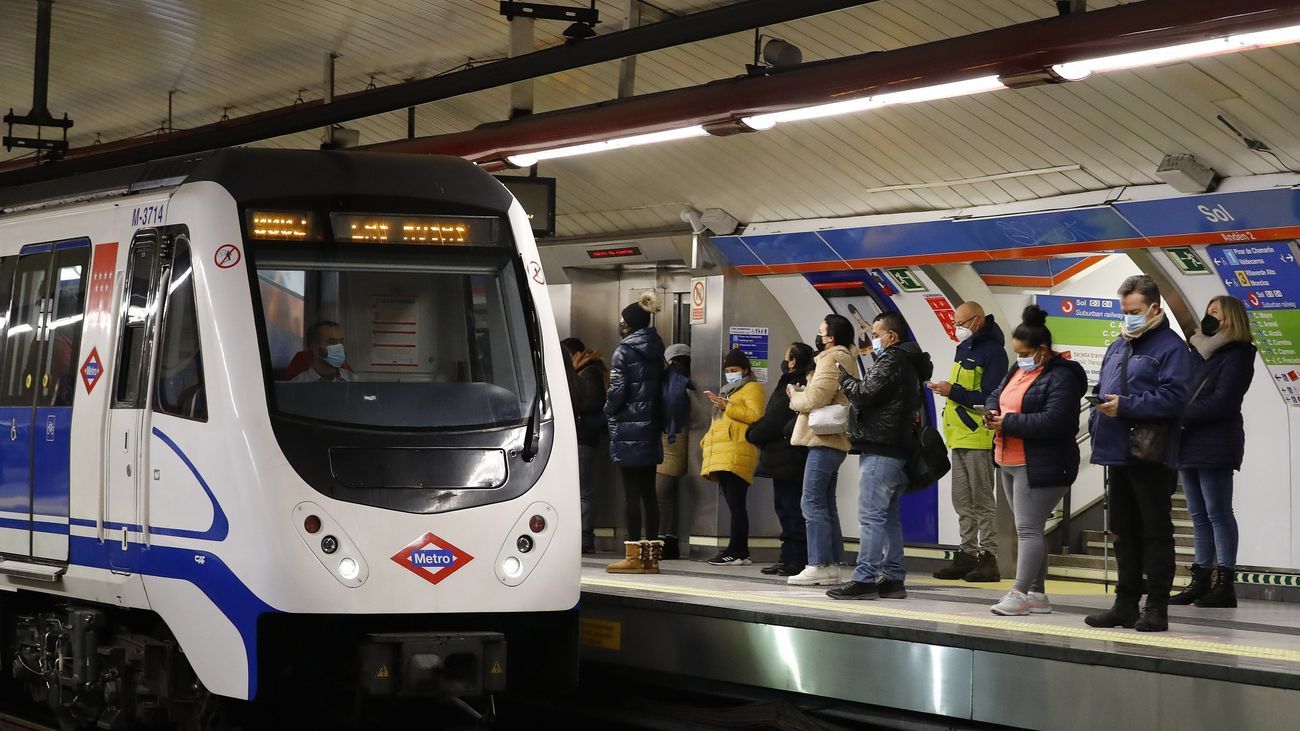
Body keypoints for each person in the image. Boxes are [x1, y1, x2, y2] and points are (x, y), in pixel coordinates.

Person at [1085, 275, 1194, 632]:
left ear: (1153, 308)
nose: (1128, 317)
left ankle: (1156, 607)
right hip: (1117, 450)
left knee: (1155, 530)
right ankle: (1125, 604)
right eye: (1125, 311)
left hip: (1151, 452)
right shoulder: (1119, 344)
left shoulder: (1171, 348)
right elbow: (1104, 384)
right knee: (1123, 531)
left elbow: (1176, 397)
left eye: (1134, 311)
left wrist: (1127, 405)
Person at [985, 306, 1088, 616]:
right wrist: (992, 411)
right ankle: (1037, 594)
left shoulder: (1063, 376)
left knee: (1028, 529)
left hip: (1042, 463)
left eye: (1025, 353)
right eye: (1017, 353)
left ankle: (1018, 593)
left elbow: (1055, 420)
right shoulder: (1017, 370)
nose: (1020, 359)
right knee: (1032, 529)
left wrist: (1008, 422)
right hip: (1008, 458)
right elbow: (997, 394)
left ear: (1042, 350)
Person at [828, 312, 933, 600]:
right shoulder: (910, 362)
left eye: (876, 334)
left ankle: (864, 578)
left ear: (891, 336)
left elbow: (863, 393)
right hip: (897, 448)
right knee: (888, 518)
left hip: (881, 448)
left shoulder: (892, 359)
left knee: (871, 517)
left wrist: (843, 378)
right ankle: (893, 578)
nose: (872, 339)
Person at [1168, 296, 1256, 608]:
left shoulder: (1239, 353)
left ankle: (1225, 583)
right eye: (1208, 311)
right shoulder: (1195, 350)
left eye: (1215, 312)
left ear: (1231, 317)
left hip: (1216, 440)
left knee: (1218, 512)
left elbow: (1224, 401)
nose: (1209, 316)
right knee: (1198, 514)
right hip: (1188, 440)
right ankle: (1201, 578)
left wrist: (1179, 417)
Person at [929, 301, 1007, 582]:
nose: (957, 328)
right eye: (955, 323)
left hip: (979, 435)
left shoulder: (994, 352)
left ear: (977, 320)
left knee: (982, 499)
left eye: (960, 323)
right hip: (958, 434)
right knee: (962, 500)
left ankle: (989, 556)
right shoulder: (964, 348)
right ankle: (967, 553)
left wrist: (952, 391)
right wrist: (949, 390)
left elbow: (989, 397)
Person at [785, 316, 857, 587]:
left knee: (811, 501)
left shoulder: (831, 358)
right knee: (825, 502)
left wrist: (795, 397)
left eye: (821, 331)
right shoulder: (845, 357)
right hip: (834, 441)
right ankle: (830, 565)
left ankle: (817, 563)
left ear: (831, 337)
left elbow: (817, 398)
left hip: (824, 439)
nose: (818, 335)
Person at [604, 292, 666, 574]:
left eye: (622, 321)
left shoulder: (624, 351)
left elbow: (617, 391)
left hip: (628, 428)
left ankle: (632, 557)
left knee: (631, 493)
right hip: (650, 427)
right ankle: (652, 559)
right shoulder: (656, 348)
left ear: (628, 324)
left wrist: (608, 410)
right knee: (649, 493)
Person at [747, 342, 815, 576]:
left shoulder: (793, 383)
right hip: (787, 456)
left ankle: (796, 559)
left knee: (790, 508)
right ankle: (788, 557)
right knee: (787, 507)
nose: (784, 361)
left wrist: (752, 433)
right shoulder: (799, 381)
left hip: (787, 456)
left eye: (787, 357)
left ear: (793, 361)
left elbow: (774, 420)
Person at [699, 349, 766, 566]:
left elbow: (756, 416)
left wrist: (727, 406)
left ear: (745, 370)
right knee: (733, 504)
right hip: (724, 452)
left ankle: (736, 550)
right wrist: (706, 441)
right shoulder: (729, 391)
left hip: (738, 451)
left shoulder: (752, 387)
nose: (730, 374)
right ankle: (740, 551)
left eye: (734, 369)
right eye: (727, 370)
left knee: (737, 504)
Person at [561, 336, 608, 554]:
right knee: (579, 490)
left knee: (583, 491)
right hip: (580, 437)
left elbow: (594, 402)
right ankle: (579, 536)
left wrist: (570, 404)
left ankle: (585, 537)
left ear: (578, 354)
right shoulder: (582, 371)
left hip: (584, 437)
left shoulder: (588, 372)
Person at [657, 343, 695, 560]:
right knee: (667, 496)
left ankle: (664, 540)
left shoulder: (674, 381)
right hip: (677, 441)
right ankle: (668, 540)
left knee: (661, 493)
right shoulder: (688, 382)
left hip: (672, 441)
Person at [290, 321, 354, 382]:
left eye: (341, 342)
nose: (340, 347)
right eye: (332, 342)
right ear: (315, 348)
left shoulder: (354, 380)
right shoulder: (297, 384)